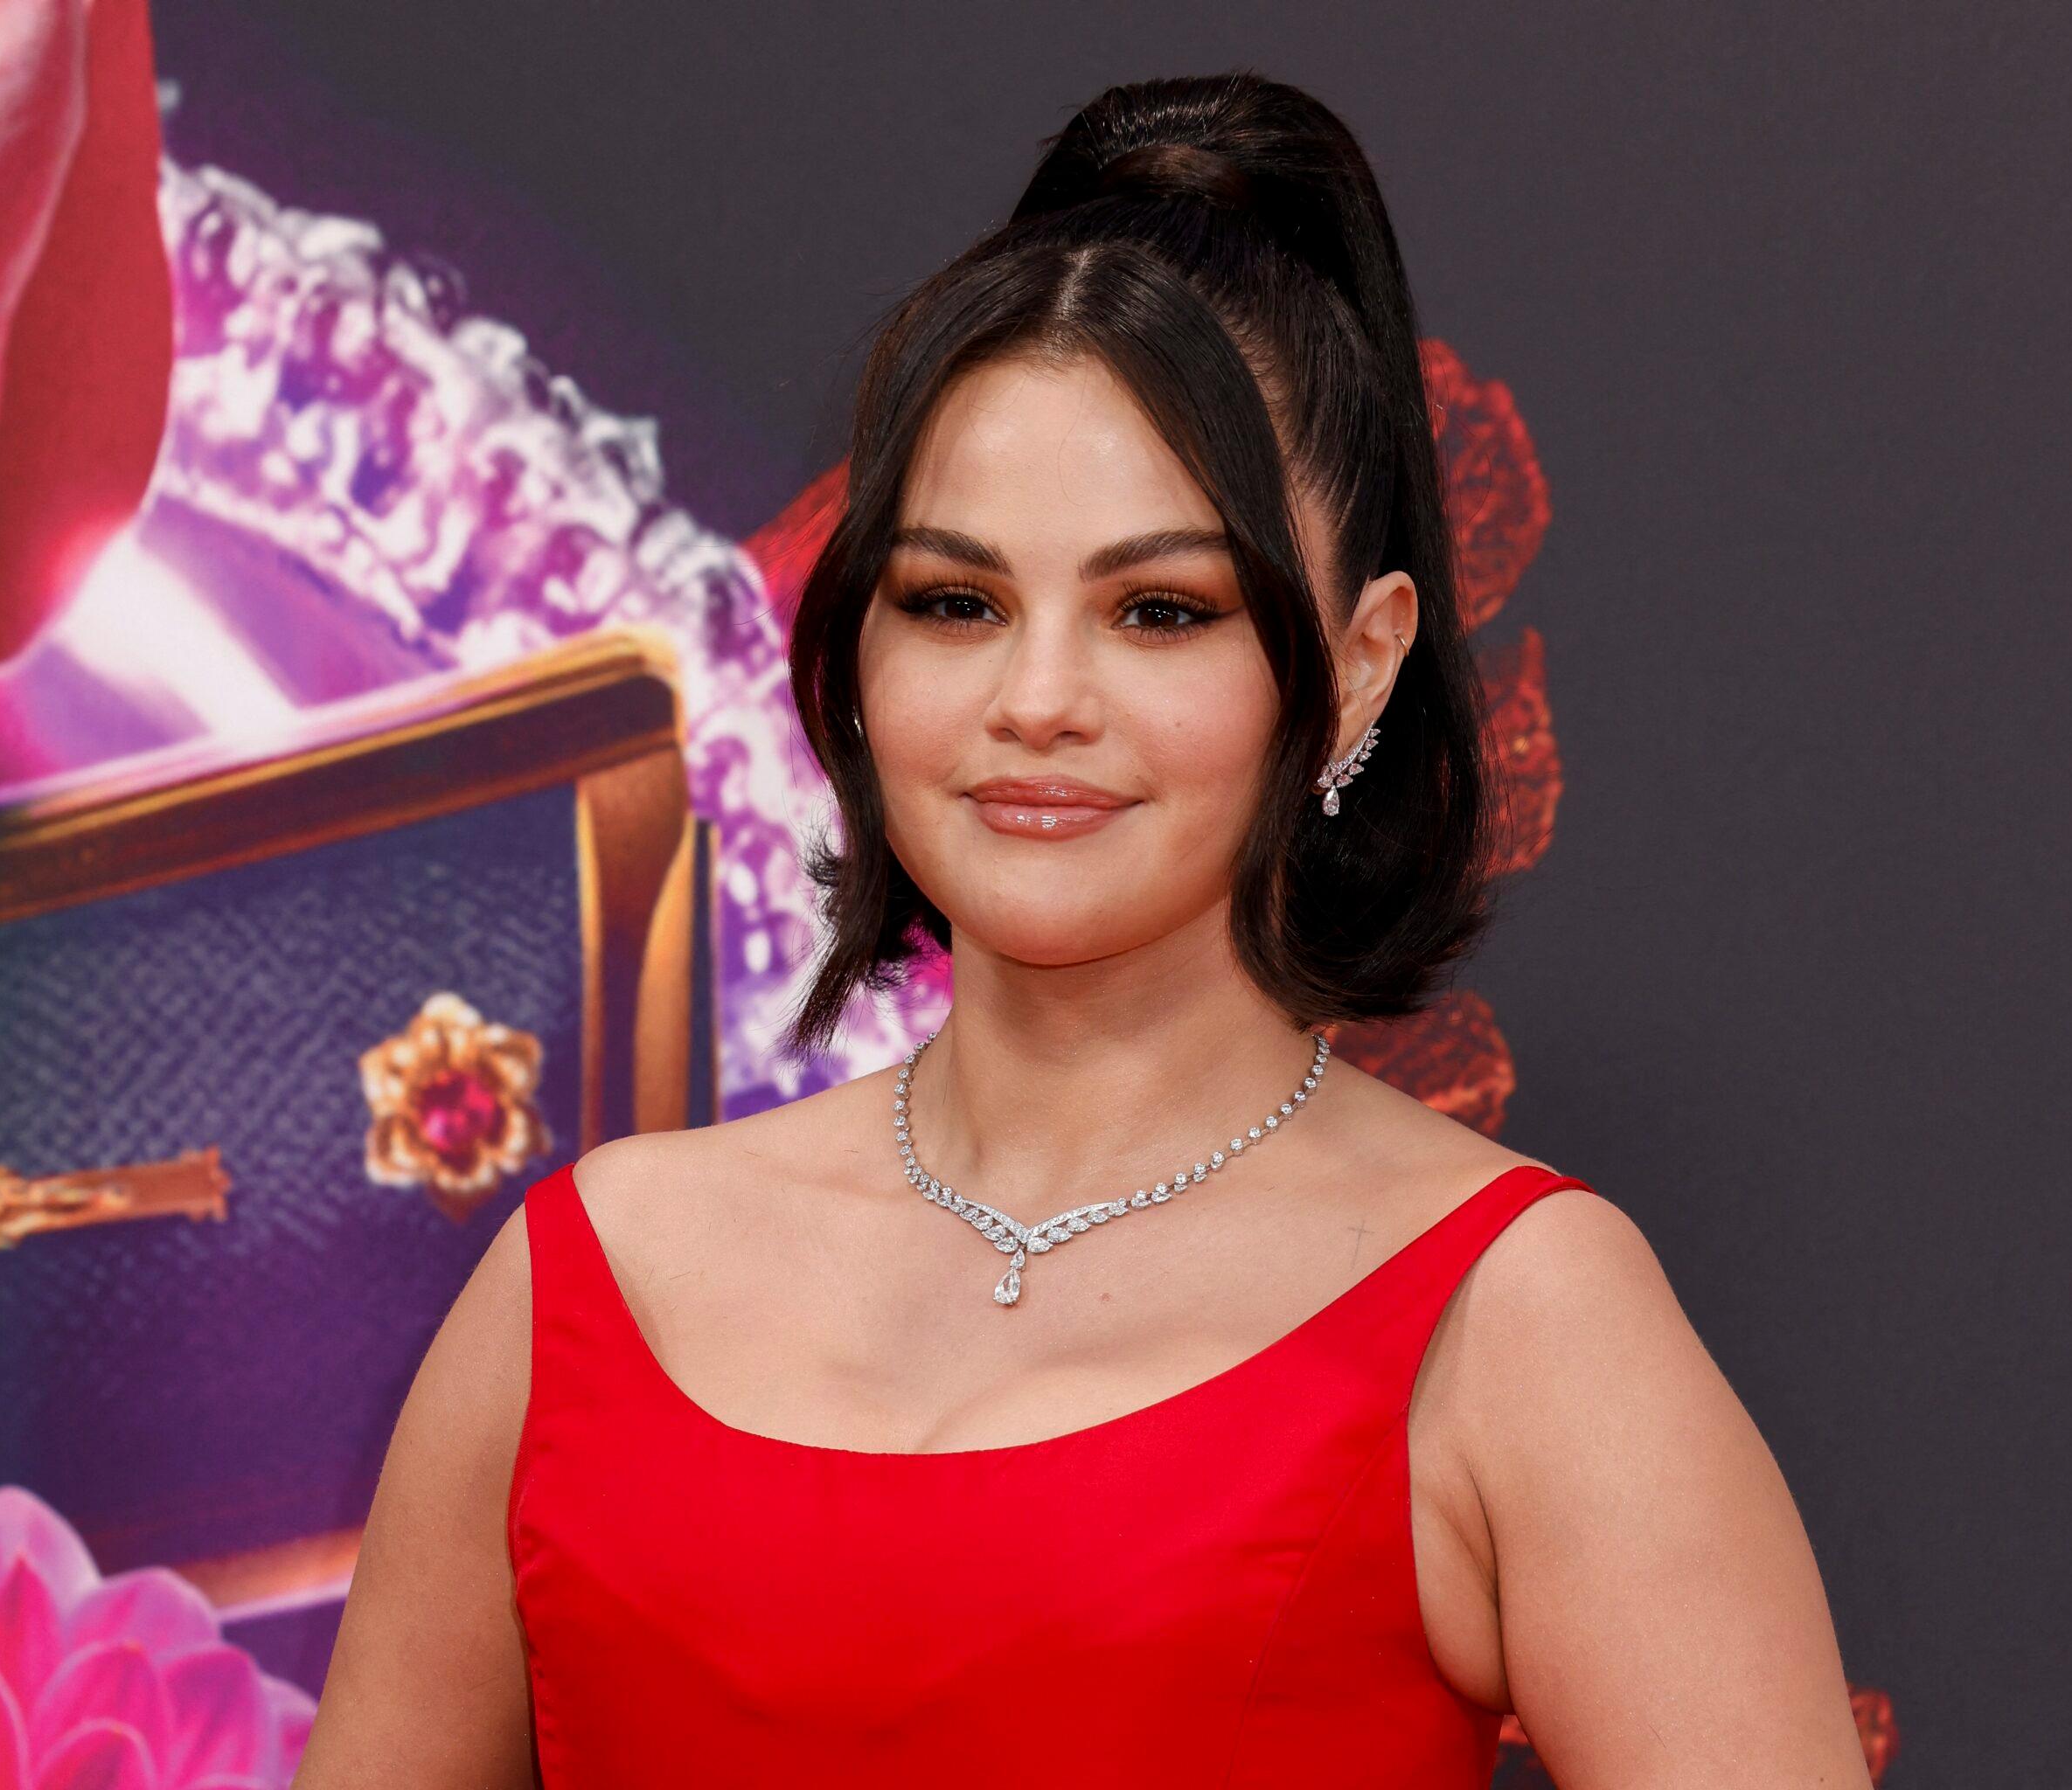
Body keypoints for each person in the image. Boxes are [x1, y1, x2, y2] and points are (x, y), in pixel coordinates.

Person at [294, 69, 1868, 1788]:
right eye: (955, 601)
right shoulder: (578, 1285)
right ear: (859, 647)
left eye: (1159, 609)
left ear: (1357, 658)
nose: (1036, 700)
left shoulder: (1522, 1318)